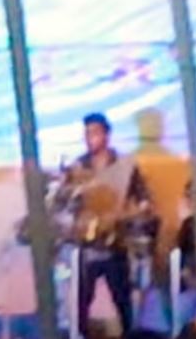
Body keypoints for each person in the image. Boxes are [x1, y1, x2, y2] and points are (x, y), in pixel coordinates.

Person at [64, 112, 152, 338]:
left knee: (122, 300)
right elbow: (66, 202)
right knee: (81, 301)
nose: (89, 138)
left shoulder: (124, 165)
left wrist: (130, 213)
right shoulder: (78, 166)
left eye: (94, 133)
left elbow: (144, 199)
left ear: (106, 135)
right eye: (87, 133)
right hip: (87, 244)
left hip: (115, 242)